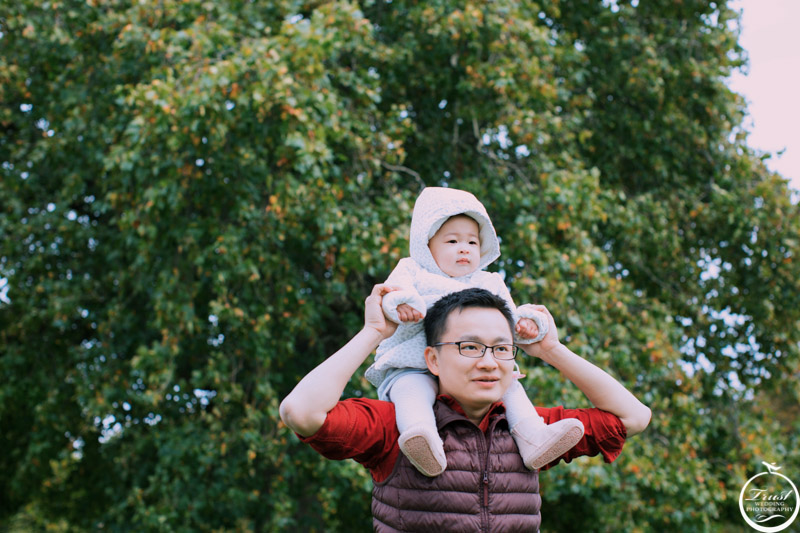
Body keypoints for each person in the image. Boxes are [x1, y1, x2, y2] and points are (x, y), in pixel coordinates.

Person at [280, 286, 651, 531]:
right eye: (470, 347)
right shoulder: (397, 428)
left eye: (502, 348)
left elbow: (632, 418)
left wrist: (552, 350)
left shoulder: (533, 434)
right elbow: (301, 412)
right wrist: (374, 332)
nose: (490, 362)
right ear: (433, 359)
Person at [364, 186, 582, 477]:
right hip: (413, 364)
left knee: (511, 388)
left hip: (474, 368)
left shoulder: (489, 282)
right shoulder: (412, 271)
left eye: (472, 241)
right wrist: (400, 305)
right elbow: (391, 296)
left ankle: (534, 438)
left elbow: (509, 317)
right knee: (410, 392)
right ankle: (422, 439)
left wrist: (529, 323)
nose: (464, 248)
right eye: (452, 241)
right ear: (426, 246)